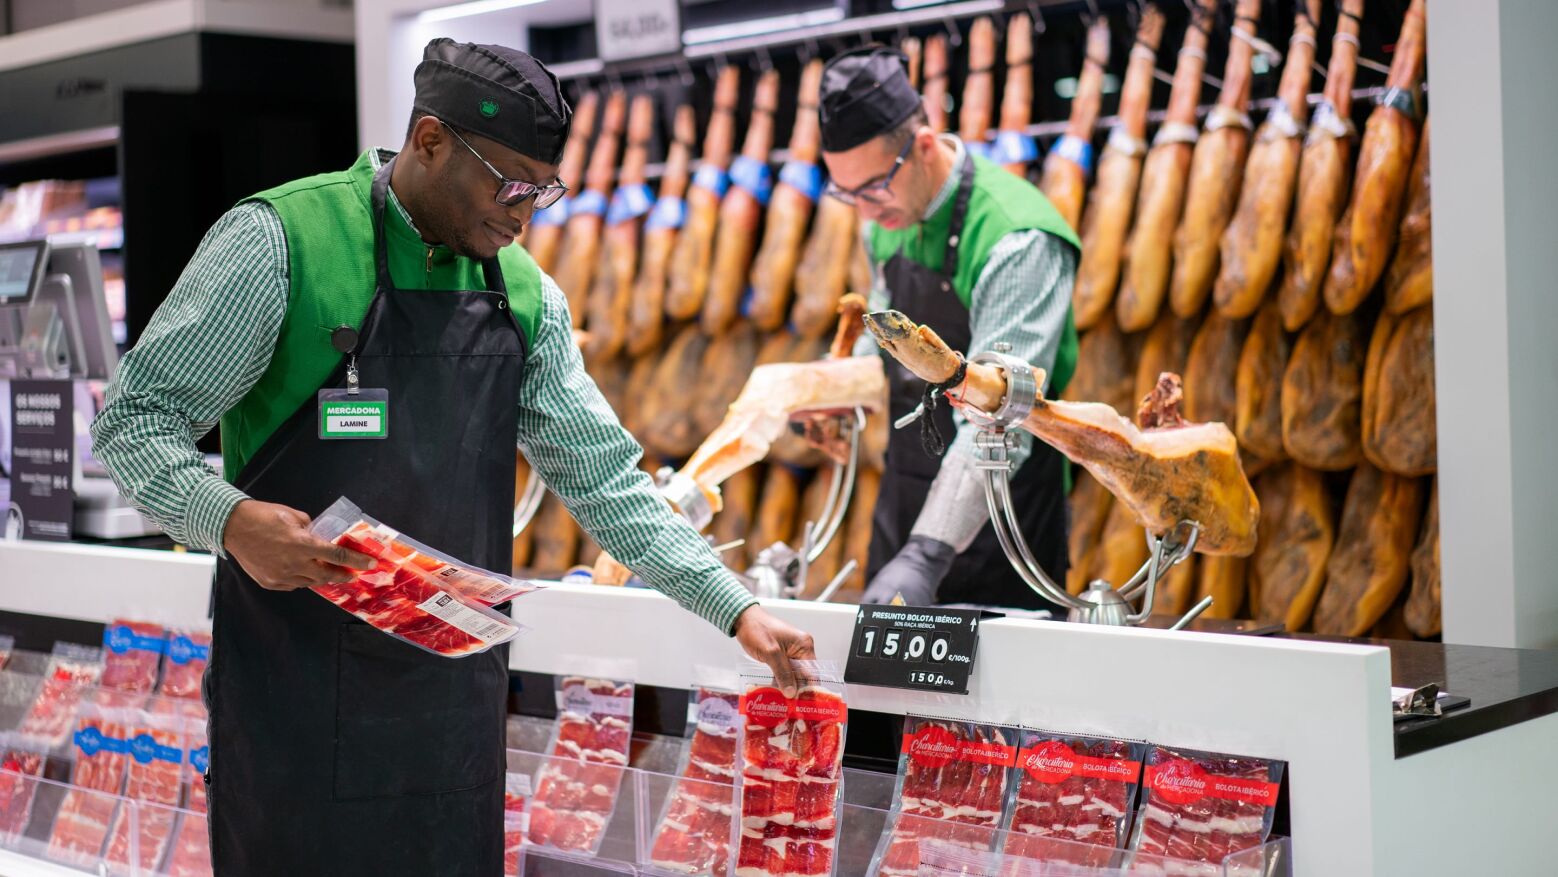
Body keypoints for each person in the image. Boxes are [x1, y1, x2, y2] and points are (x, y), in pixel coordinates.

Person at [91, 39, 813, 876]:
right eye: (508, 184)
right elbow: (135, 422)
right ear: (429, 140)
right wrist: (230, 520)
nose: (523, 215)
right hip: (292, 714)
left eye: (542, 191)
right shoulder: (282, 241)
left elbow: (606, 480)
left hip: (450, 732)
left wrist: (736, 607)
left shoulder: (523, 293)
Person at [813, 46, 1081, 610]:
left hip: (1002, 514)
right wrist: (833, 397)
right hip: (906, 495)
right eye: (846, 194)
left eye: (872, 189)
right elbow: (884, 331)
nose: (863, 212)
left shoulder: (1017, 237)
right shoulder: (888, 216)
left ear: (924, 148)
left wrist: (928, 554)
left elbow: (1005, 414)